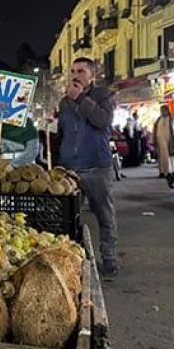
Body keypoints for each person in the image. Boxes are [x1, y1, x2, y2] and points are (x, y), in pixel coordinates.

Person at [58, 57, 118, 277]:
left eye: (81, 71)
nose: (75, 75)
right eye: (72, 70)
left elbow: (103, 121)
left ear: (92, 75)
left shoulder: (105, 96)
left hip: (96, 167)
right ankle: (72, 258)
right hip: (70, 169)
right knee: (69, 216)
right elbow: (62, 132)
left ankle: (109, 256)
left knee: (104, 213)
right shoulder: (65, 102)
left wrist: (81, 98)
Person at [153, 105, 174, 178]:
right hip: (160, 142)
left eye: (164, 110)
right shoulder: (158, 119)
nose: (162, 112)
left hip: (169, 142)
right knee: (161, 157)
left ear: (167, 110)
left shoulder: (171, 119)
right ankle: (162, 172)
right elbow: (155, 129)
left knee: (169, 157)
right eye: (161, 110)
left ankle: (169, 172)